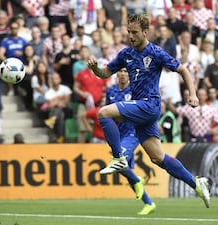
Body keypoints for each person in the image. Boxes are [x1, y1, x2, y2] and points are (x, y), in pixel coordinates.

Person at [86, 14, 210, 208]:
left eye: (134, 32)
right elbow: (105, 74)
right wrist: (95, 68)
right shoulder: (125, 54)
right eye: (129, 32)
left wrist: (193, 94)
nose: (131, 36)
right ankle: (196, 184)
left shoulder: (156, 53)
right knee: (157, 158)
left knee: (103, 113)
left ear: (145, 32)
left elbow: (183, 70)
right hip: (141, 110)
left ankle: (118, 158)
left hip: (150, 104)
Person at [105, 68, 156, 215]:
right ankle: (149, 203)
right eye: (120, 71)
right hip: (118, 135)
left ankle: (138, 180)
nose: (122, 74)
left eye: (126, 71)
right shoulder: (111, 91)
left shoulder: (135, 91)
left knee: (118, 162)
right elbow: (108, 113)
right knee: (124, 169)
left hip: (133, 132)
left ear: (130, 74)